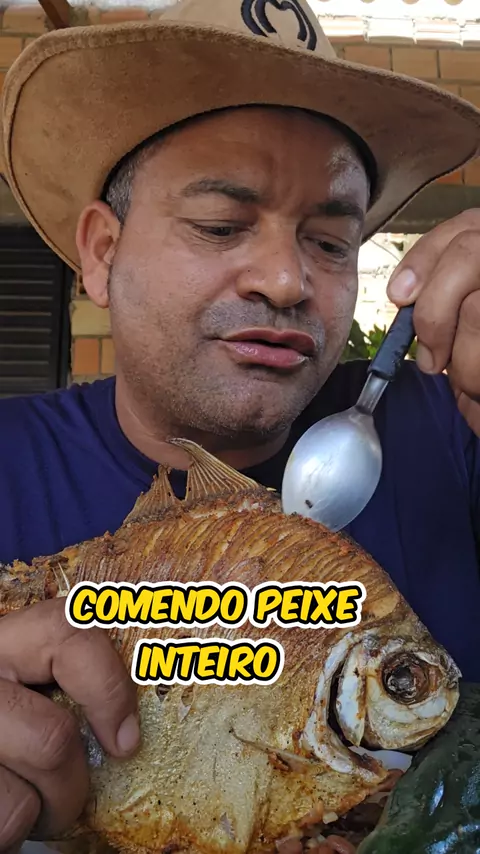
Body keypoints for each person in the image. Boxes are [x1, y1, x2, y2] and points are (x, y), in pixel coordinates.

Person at [0, 0, 479, 847]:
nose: (287, 281)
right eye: (221, 226)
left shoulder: (456, 431)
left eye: (330, 243)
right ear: (102, 254)